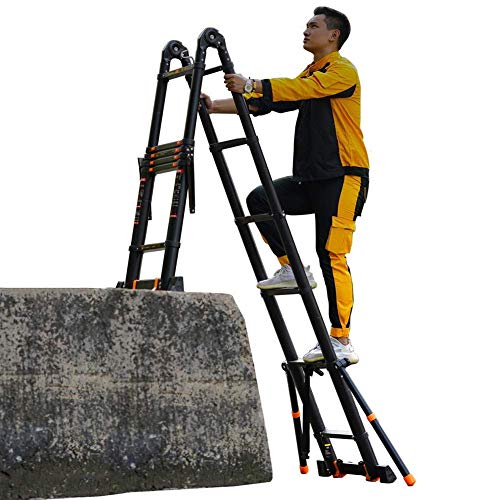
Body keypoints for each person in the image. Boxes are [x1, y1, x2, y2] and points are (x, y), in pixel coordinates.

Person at [201, 7, 368, 365]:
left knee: (331, 253)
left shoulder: (342, 71)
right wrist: (215, 106)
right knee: (261, 200)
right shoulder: (311, 72)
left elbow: (297, 90)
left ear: (333, 35)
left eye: (313, 26)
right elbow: (268, 102)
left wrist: (251, 83)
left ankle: (341, 339)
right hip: (312, 177)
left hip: (343, 176)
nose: (306, 31)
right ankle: (292, 267)